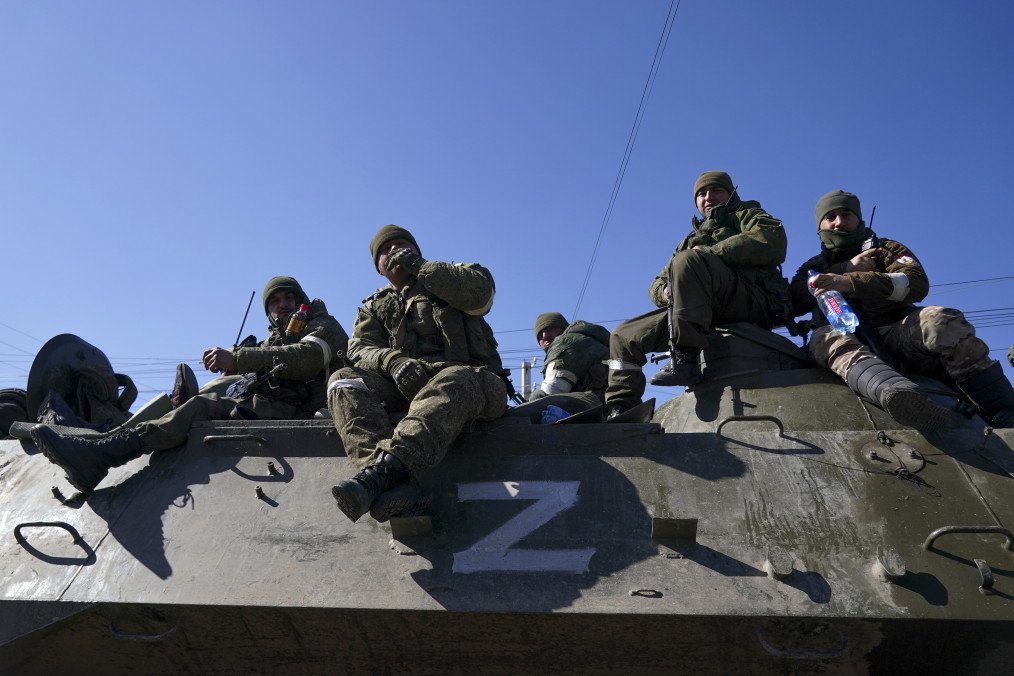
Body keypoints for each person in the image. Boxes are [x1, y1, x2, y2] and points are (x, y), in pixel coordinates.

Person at [31, 276, 349, 493]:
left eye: (289, 297)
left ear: (302, 301)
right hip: (263, 412)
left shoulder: (322, 324)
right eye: (275, 300)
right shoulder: (272, 342)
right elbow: (259, 379)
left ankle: (106, 449)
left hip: (307, 418)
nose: (283, 304)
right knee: (199, 408)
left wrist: (238, 358)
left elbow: (306, 357)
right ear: (268, 311)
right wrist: (236, 379)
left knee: (203, 406)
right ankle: (106, 449)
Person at [328, 225, 507, 523]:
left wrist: (419, 267)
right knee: (342, 379)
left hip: (475, 384)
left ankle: (380, 477)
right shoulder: (373, 306)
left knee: (455, 377)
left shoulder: (453, 275)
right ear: (379, 267)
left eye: (402, 244)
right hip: (410, 388)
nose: (394, 250)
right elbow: (359, 349)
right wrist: (392, 362)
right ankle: (389, 485)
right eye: (385, 250)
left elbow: (480, 295)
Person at [789, 190, 1013, 428]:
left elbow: (917, 284)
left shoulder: (885, 250)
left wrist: (854, 281)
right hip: (850, 345)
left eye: (846, 214)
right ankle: (900, 396)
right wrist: (843, 268)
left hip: (898, 334)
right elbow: (791, 302)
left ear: (859, 219)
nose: (839, 222)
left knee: (939, 320)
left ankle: (1005, 409)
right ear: (820, 225)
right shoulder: (812, 268)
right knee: (822, 337)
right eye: (831, 216)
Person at [603, 170, 791, 418]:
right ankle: (621, 407)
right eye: (701, 193)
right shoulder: (689, 240)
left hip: (748, 298)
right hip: (698, 309)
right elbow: (657, 282)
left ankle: (685, 359)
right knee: (624, 336)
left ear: (731, 193)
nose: (708, 196)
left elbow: (772, 240)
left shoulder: (747, 214)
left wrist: (712, 253)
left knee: (689, 261)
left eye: (716, 190)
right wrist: (665, 291)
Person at [530, 312, 609, 403]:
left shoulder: (566, 342)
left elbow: (551, 391)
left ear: (564, 329)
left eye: (550, 329)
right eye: (540, 335)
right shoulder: (591, 340)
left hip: (600, 411)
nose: (545, 336)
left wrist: (523, 410)